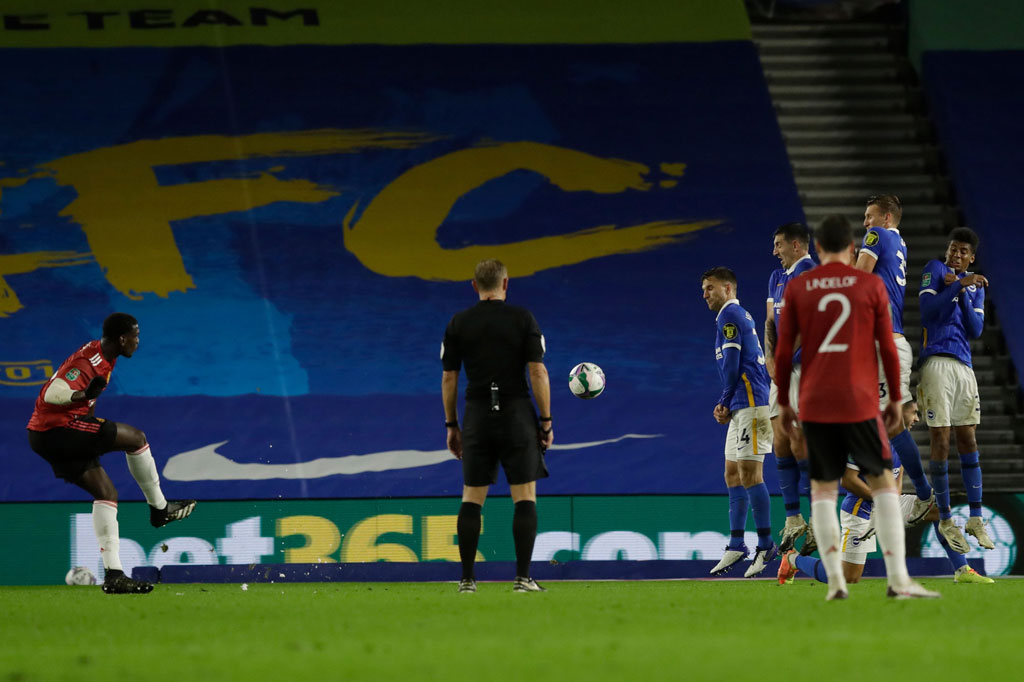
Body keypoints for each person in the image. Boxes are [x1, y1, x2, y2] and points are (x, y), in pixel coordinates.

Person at [775, 215, 939, 600]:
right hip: (858, 396)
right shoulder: (868, 284)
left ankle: (834, 584)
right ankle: (898, 580)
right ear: (852, 249)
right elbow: (885, 343)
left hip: (816, 399)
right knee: (883, 486)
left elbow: (785, 351)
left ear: (816, 249)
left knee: (823, 490)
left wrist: (785, 403)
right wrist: (897, 399)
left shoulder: (800, 287)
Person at [26, 313, 197, 594]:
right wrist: (78, 396)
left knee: (106, 493)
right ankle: (160, 509)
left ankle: (114, 575)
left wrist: (86, 408)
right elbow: (51, 394)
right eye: (136, 336)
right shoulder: (88, 362)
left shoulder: (106, 356)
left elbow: (86, 400)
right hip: (56, 431)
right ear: (122, 338)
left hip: (51, 435)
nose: (138, 343)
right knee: (137, 438)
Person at [778, 401, 993, 585]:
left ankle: (962, 570)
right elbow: (848, 480)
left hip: (888, 504)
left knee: (936, 508)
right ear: (899, 411)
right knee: (847, 577)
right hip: (859, 509)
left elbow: (895, 487)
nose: (917, 419)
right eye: (914, 412)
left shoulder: (901, 444)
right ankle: (792, 559)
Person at [441, 259, 553, 594]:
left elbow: (449, 377)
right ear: (506, 284)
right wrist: (545, 421)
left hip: (477, 414)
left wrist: (452, 425)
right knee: (524, 496)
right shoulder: (523, 319)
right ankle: (522, 579)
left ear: (474, 286)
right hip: (516, 413)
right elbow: (538, 372)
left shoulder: (459, 322)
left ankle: (466, 581)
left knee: (472, 497)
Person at [855, 194, 935, 522]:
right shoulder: (900, 244)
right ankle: (894, 494)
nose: (865, 223)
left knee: (888, 424)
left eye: (870, 216)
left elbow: (858, 279)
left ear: (887, 218)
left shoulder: (878, 236)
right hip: (892, 340)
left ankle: (920, 492)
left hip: (882, 342)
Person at [917, 227, 994, 553]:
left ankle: (976, 517)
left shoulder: (974, 287)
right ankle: (946, 518)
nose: (956, 255)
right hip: (935, 361)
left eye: (963, 251)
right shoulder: (934, 270)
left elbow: (975, 329)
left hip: (964, 367)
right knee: (942, 439)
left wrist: (962, 292)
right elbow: (928, 312)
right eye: (953, 249)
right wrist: (958, 285)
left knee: (968, 438)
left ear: (971, 257)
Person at [701, 267, 777, 578]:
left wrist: (723, 400)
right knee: (732, 473)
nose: (705, 294)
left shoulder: (729, 316)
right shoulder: (732, 316)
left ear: (728, 288)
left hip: (753, 404)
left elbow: (732, 365)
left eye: (710, 288)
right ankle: (736, 544)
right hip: (741, 405)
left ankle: (765, 545)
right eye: (703, 289)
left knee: (750, 473)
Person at [764, 222, 816, 552]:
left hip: (803, 368)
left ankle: (822, 515)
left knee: (799, 439)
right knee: (779, 442)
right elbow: (771, 321)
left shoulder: (810, 272)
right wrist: (771, 360)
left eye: (779, 244)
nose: (774, 251)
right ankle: (795, 519)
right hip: (781, 370)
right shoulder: (776, 278)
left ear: (796, 245)